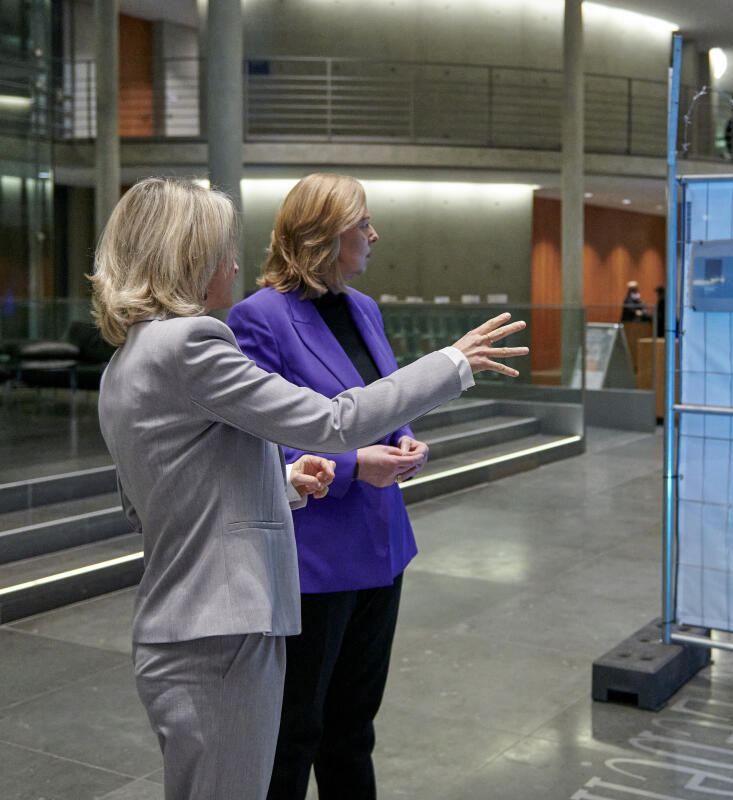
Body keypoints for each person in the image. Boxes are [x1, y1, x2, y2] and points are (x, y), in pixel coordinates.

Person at [90, 177, 528, 800]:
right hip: (222, 629)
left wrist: (284, 479)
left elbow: (152, 497)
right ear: (188, 257)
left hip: (182, 626)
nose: (234, 263)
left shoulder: (126, 359)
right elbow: (333, 422)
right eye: (221, 249)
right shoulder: (192, 342)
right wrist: (453, 362)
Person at [224, 174, 432, 799]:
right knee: (296, 731)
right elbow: (258, 434)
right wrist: (348, 467)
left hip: (383, 546)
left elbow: (385, 402)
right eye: (361, 223)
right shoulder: (258, 318)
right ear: (322, 236)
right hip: (314, 554)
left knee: (353, 729)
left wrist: (405, 442)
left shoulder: (364, 308)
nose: (374, 234)